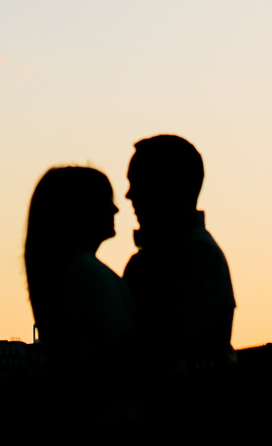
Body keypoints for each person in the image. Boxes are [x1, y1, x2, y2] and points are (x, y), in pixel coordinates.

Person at [121, 134, 236, 379]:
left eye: (140, 182)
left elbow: (159, 347)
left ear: (171, 186)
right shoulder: (168, 256)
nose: (129, 195)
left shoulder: (197, 257)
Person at [22, 166, 136, 400]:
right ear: (81, 210)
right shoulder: (87, 275)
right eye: (106, 200)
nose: (116, 208)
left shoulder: (68, 275)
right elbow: (129, 353)